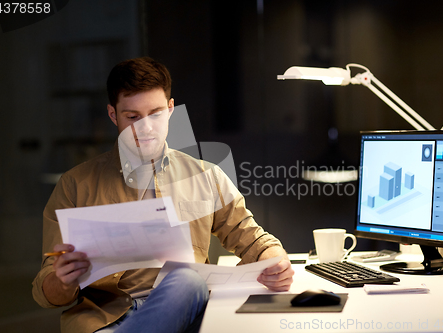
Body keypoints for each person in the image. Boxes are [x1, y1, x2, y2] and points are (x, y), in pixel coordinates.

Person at [32, 57, 294, 333]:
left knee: (188, 280)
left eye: (155, 114)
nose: (146, 128)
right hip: (104, 320)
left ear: (171, 109)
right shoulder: (75, 184)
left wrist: (275, 258)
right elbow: (45, 291)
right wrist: (62, 281)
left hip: (183, 309)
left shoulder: (205, 176)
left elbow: (251, 236)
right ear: (113, 115)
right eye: (132, 117)